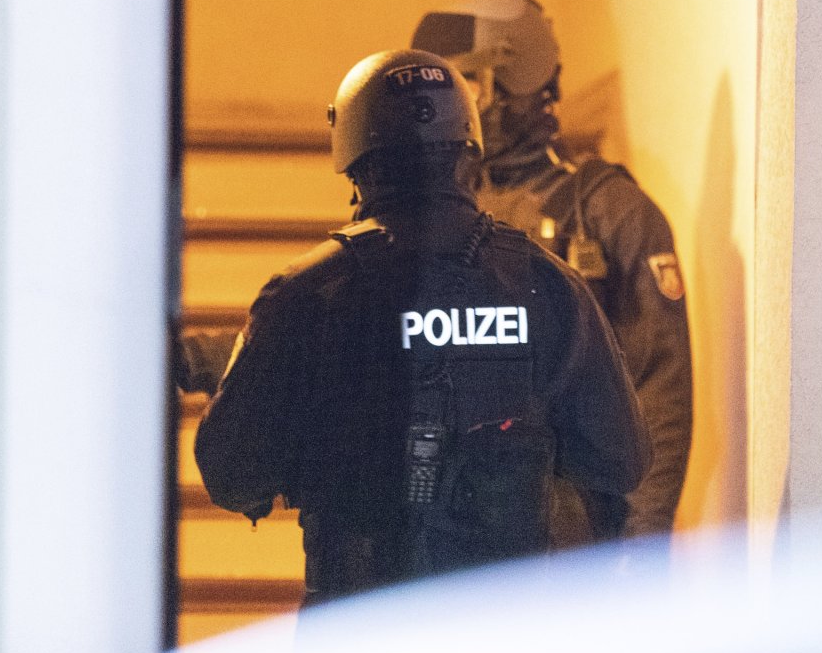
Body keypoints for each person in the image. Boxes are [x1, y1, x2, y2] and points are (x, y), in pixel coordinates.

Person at [193, 49, 650, 605]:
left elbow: (231, 473)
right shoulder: (549, 286)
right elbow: (620, 460)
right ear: (468, 152)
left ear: (355, 162)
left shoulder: (306, 295)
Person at [411, 0, 693, 548]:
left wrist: (639, 553)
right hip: (443, 543)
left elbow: (659, 393)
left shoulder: (612, 214)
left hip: (569, 543)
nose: (445, 110)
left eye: (462, 86)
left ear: (512, 81)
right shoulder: (423, 217)